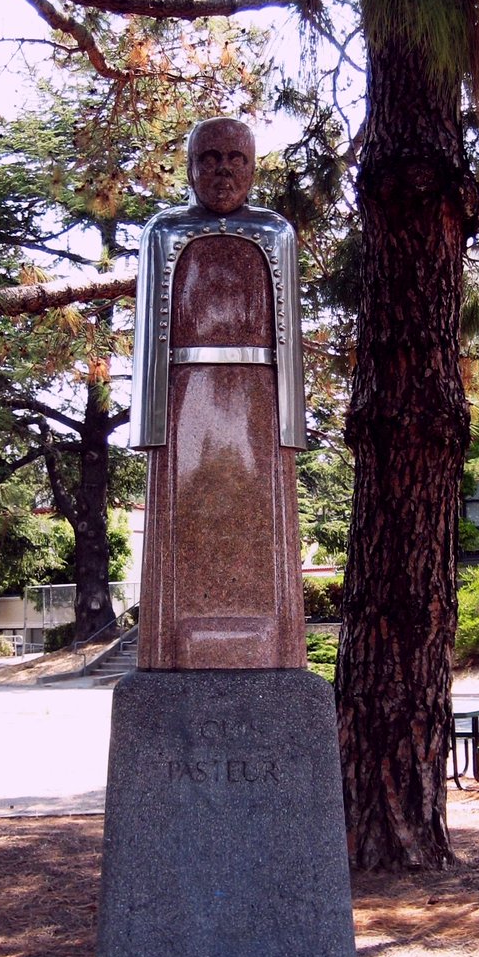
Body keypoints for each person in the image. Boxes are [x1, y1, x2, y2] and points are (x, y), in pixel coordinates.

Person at [130, 118, 307, 670]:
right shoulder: (164, 232)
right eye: (209, 158)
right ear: (190, 167)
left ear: (254, 168)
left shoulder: (274, 233)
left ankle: (274, 651)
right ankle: (171, 649)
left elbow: (291, 341)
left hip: (259, 395)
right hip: (184, 398)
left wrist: (289, 426)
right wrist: (151, 426)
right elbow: (148, 340)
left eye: (235, 158)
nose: (222, 169)